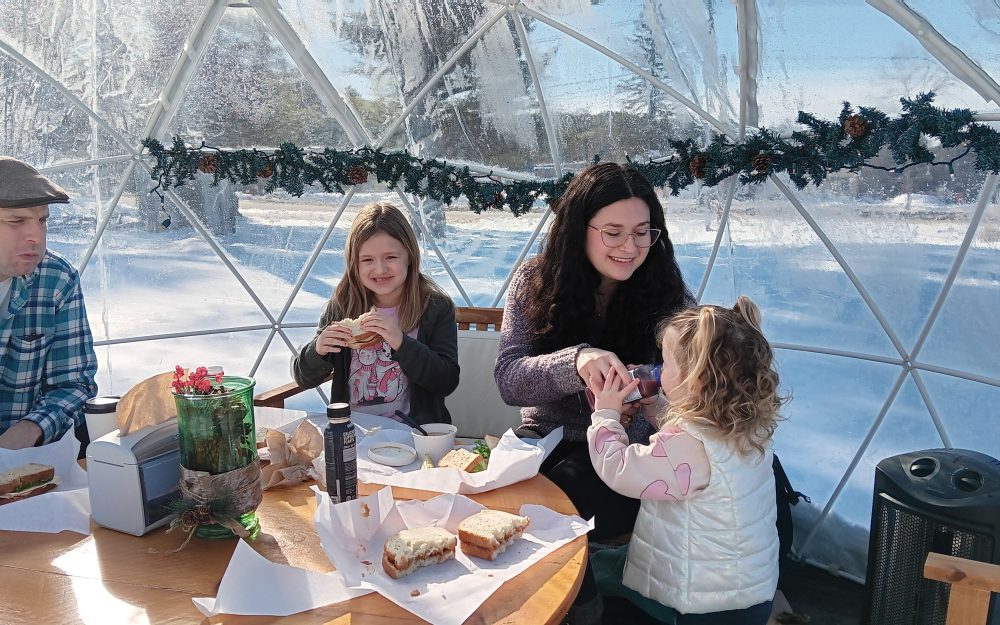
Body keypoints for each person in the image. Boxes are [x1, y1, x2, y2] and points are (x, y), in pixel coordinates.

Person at [494, 162, 693, 540]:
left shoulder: (667, 292)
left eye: (642, 233)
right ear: (577, 229)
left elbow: (696, 381)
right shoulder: (535, 282)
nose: (630, 248)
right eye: (613, 233)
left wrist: (646, 397)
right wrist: (576, 361)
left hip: (634, 447)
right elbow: (509, 380)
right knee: (545, 502)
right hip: (551, 438)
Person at [587, 296, 788, 625]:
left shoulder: (690, 446)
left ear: (694, 381)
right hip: (747, 592)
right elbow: (695, 443)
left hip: (699, 606)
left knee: (591, 574)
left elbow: (620, 469)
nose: (659, 370)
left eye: (666, 364)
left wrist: (606, 415)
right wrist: (656, 408)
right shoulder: (748, 425)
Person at [292, 201, 459, 424]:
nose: (380, 269)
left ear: (409, 256)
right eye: (368, 260)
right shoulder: (342, 307)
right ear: (355, 264)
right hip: (354, 434)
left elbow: (446, 381)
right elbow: (303, 378)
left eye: (391, 257)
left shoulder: (435, 307)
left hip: (415, 435)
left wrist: (401, 342)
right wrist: (318, 350)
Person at [0, 156, 98, 449]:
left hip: (28, 462)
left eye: (42, 220)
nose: (36, 235)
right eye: (16, 221)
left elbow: (75, 384)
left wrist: (31, 429)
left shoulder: (56, 278)